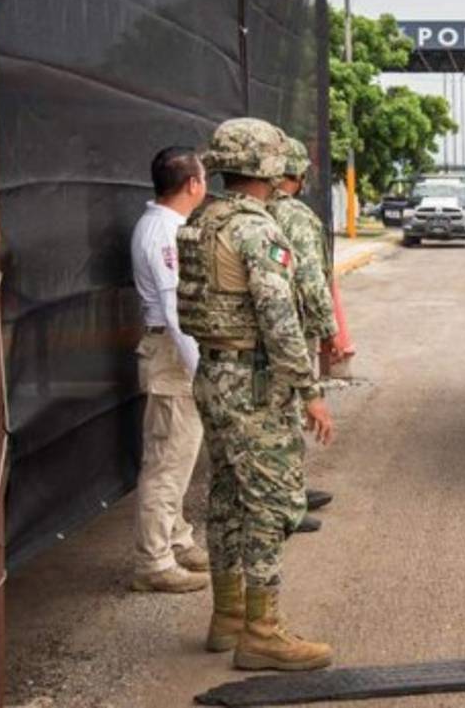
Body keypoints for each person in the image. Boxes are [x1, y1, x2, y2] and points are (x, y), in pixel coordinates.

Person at [177, 117, 336, 671]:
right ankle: (263, 634)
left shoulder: (201, 220)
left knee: (225, 495)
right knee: (273, 504)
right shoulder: (256, 229)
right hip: (253, 382)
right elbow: (279, 320)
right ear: (268, 166)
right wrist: (310, 390)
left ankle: (228, 616)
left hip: (212, 373)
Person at [128, 147, 210, 594]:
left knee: (178, 455)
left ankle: (177, 539)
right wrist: (199, 367)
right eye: (204, 178)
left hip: (173, 348)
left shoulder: (166, 225)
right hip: (173, 351)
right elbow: (176, 308)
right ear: (192, 184)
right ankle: (154, 562)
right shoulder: (163, 232)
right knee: (167, 460)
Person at [266, 136, 339, 534]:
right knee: (289, 413)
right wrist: (329, 330)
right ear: (296, 174)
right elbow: (311, 279)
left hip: (263, 331)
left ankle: (289, 490)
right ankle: (286, 502)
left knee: (275, 415)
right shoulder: (293, 215)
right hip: (291, 329)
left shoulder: (253, 209)